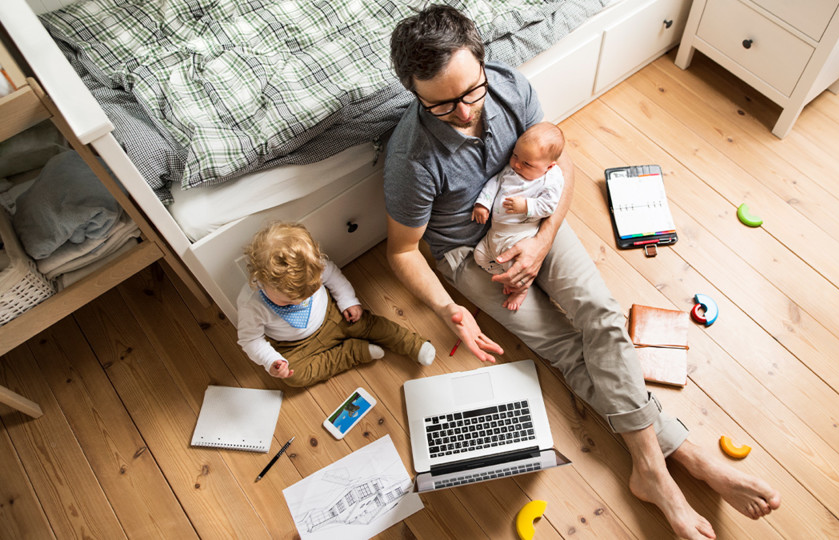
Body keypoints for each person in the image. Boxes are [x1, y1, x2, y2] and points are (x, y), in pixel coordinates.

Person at [383, 5, 780, 539]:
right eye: (441, 104)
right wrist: (450, 308)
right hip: (471, 251)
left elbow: (561, 163)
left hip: (531, 218)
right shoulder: (410, 159)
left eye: (470, 91)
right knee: (565, 347)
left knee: (602, 316)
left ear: (482, 63)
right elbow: (403, 251)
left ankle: (655, 470)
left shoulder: (508, 87)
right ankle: (678, 460)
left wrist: (543, 244)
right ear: (414, 93)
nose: (462, 112)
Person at [237, 221, 435, 387]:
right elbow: (250, 340)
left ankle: (413, 344)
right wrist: (272, 361)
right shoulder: (251, 303)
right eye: (289, 301)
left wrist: (348, 301)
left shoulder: (313, 264)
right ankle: (353, 352)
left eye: (309, 293)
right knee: (294, 376)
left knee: (370, 324)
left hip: (334, 316)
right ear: (260, 279)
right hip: (295, 345)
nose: (302, 301)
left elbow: (334, 278)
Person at [471, 121, 565, 310]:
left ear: (548, 166)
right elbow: (494, 182)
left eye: (527, 163)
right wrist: (483, 203)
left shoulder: (551, 180)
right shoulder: (511, 169)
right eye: (515, 155)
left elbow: (548, 206)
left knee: (515, 265)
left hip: (518, 235)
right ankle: (506, 276)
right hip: (495, 232)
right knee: (479, 255)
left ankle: (521, 289)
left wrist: (526, 205)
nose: (516, 164)